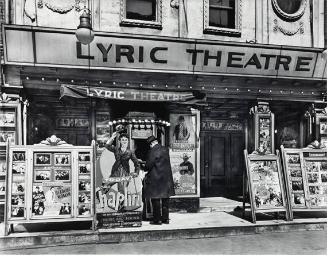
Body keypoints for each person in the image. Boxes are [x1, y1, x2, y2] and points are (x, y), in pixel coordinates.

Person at [144, 135, 175, 225]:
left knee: (155, 199)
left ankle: (157, 220)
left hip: (156, 178)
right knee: (165, 199)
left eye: (150, 144)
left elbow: (149, 165)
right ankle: (165, 219)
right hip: (165, 178)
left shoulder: (153, 150)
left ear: (152, 143)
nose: (150, 146)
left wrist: (144, 167)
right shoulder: (165, 149)